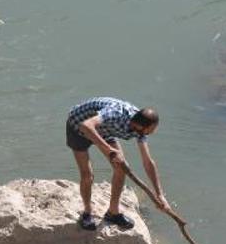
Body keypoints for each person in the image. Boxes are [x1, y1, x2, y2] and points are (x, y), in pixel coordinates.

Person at [65, 96, 171, 230]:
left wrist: (159, 194)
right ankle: (87, 213)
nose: (152, 132)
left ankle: (112, 212)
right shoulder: (115, 113)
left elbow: (148, 162)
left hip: (105, 130)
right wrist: (109, 150)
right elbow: (86, 126)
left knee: (121, 168)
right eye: (151, 129)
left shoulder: (140, 129)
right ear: (139, 125)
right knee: (87, 175)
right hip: (78, 127)